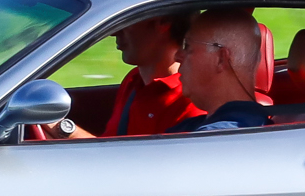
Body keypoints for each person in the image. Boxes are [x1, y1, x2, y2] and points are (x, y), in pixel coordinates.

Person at [32, 11, 194, 140]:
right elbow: (107, 151)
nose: (114, 33)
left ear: (163, 21)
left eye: (128, 20)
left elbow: (129, 168)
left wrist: (59, 126)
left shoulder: (191, 101)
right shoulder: (134, 79)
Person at [167, 8, 275, 133]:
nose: (177, 56)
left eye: (188, 46)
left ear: (221, 59)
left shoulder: (216, 138)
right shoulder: (239, 126)